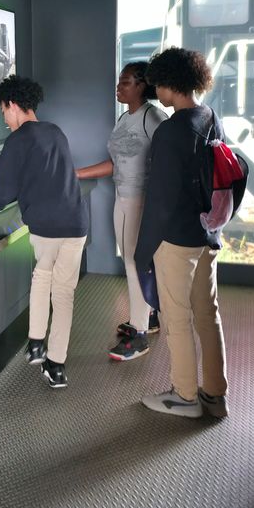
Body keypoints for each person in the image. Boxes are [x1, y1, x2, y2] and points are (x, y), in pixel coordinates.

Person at [0, 74, 88, 389]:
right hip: (76, 223)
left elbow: (4, 195)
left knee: (42, 277)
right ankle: (56, 366)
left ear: (12, 104)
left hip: (47, 226)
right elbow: (39, 179)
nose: (5, 118)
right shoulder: (55, 132)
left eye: (3, 111)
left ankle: (36, 343)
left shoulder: (18, 140)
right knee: (64, 293)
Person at [134, 47, 229, 419]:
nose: (156, 89)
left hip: (177, 239)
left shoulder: (171, 131)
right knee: (208, 313)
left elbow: (160, 201)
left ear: (170, 83)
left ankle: (185, 396)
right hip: (208, 234)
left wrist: (143, 252)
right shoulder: (209, 117)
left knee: (177, 318)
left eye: (158, 83)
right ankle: (215, 393)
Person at [76, 62, 168, 361]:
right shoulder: (124, 119)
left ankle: (139, 334)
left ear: (142, 85)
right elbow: (116, 163)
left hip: (139, 201)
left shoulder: (152, 117)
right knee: (138, 261)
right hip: (122, 196)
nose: (119, 86)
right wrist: (75, 173)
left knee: (133, 263)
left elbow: (170, 161)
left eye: (126, 82)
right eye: (119, 81)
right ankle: (150, 317)